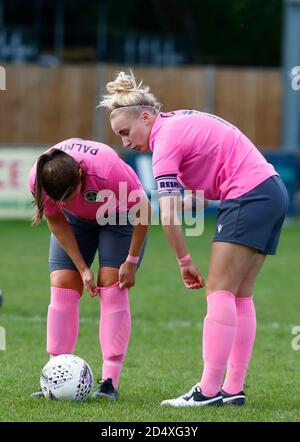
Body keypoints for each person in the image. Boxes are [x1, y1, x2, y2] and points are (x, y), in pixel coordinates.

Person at [99, 71, 289, 407]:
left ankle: (208, 391)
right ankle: (232, 389)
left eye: (126, 133)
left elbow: (167, 213)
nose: (125, 143)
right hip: (270, 191)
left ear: (146, 116)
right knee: (240, 295)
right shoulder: (177, 123)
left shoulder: (165, 140)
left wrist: (184, 262)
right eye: (120, 137)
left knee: (219, 291)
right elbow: (199, 193)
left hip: (249, 196)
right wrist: (185, 202)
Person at [29, 138, 150, 400]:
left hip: (118, 216)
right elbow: (56, 218)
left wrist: (131, 260)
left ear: (81, 175)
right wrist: (82, 268)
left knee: (111, 285)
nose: (65, 202)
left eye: (70, 196)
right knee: (62, 284)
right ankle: (54, 374)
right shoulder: (40, 178)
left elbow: (144, 210)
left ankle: (109, 382)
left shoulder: (108, 170)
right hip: (75, 223)